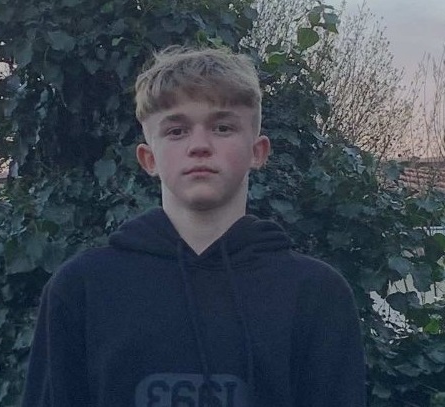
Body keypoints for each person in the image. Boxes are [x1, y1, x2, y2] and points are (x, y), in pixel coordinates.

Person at [22, 46, 366, 407]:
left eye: (222, 127)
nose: (200, 146)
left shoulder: (316, 293)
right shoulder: (81, 288)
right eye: (176, 131)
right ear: (149, 158)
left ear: (258, 151)